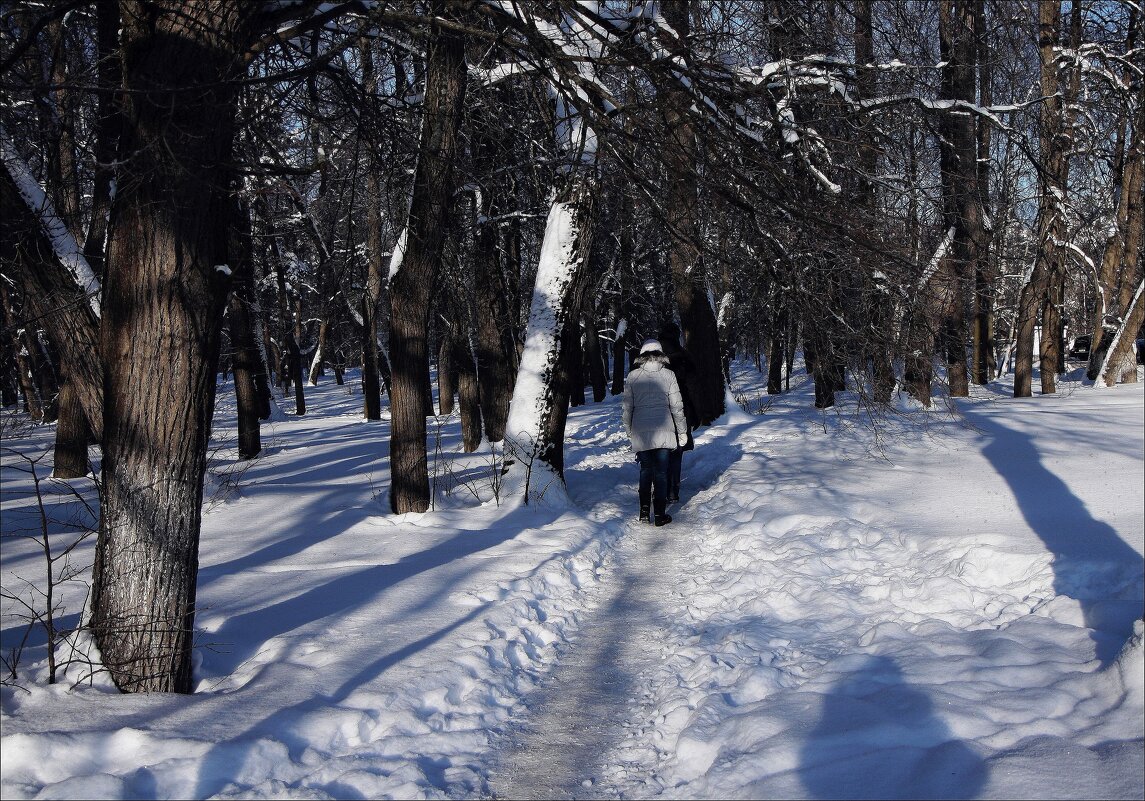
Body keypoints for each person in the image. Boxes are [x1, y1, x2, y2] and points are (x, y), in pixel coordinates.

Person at [622, 338, 686, 526]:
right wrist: (681, 433)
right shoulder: (669, 375)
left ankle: (643, 512)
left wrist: (629, 431)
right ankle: (659, 515)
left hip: (641, 432)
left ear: (642, 356)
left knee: (645, 471)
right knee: (661, 473)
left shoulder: (633, 376)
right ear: (660, 355)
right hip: (665, 431)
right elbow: (677, 407)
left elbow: (627, 408)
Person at [658, 323, 699, 504]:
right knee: (677, 451)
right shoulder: (683, 357)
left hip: (658, 412)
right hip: (681, 410)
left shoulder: (653, 358)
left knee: (660, 450)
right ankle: (673, 489)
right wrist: (696, 413)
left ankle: (660, 487)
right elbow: (693, 388)